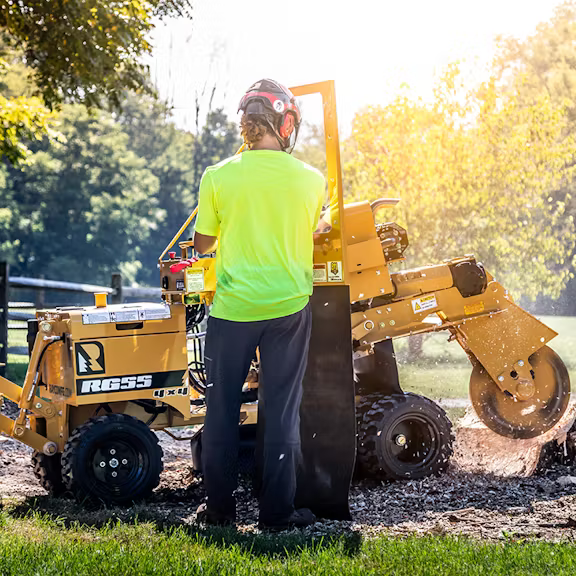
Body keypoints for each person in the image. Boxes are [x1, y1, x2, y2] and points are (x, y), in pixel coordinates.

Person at [193, 79, 325, 530]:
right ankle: (277, 514)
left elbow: (203, 242)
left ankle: (219, 514)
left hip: (232, 310)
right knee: (281, 409)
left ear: (246, 123)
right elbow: (306, 232)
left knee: (221, 411)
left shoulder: (217, 176)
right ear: (285, 122)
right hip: (288, 307)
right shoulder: (312, 180)